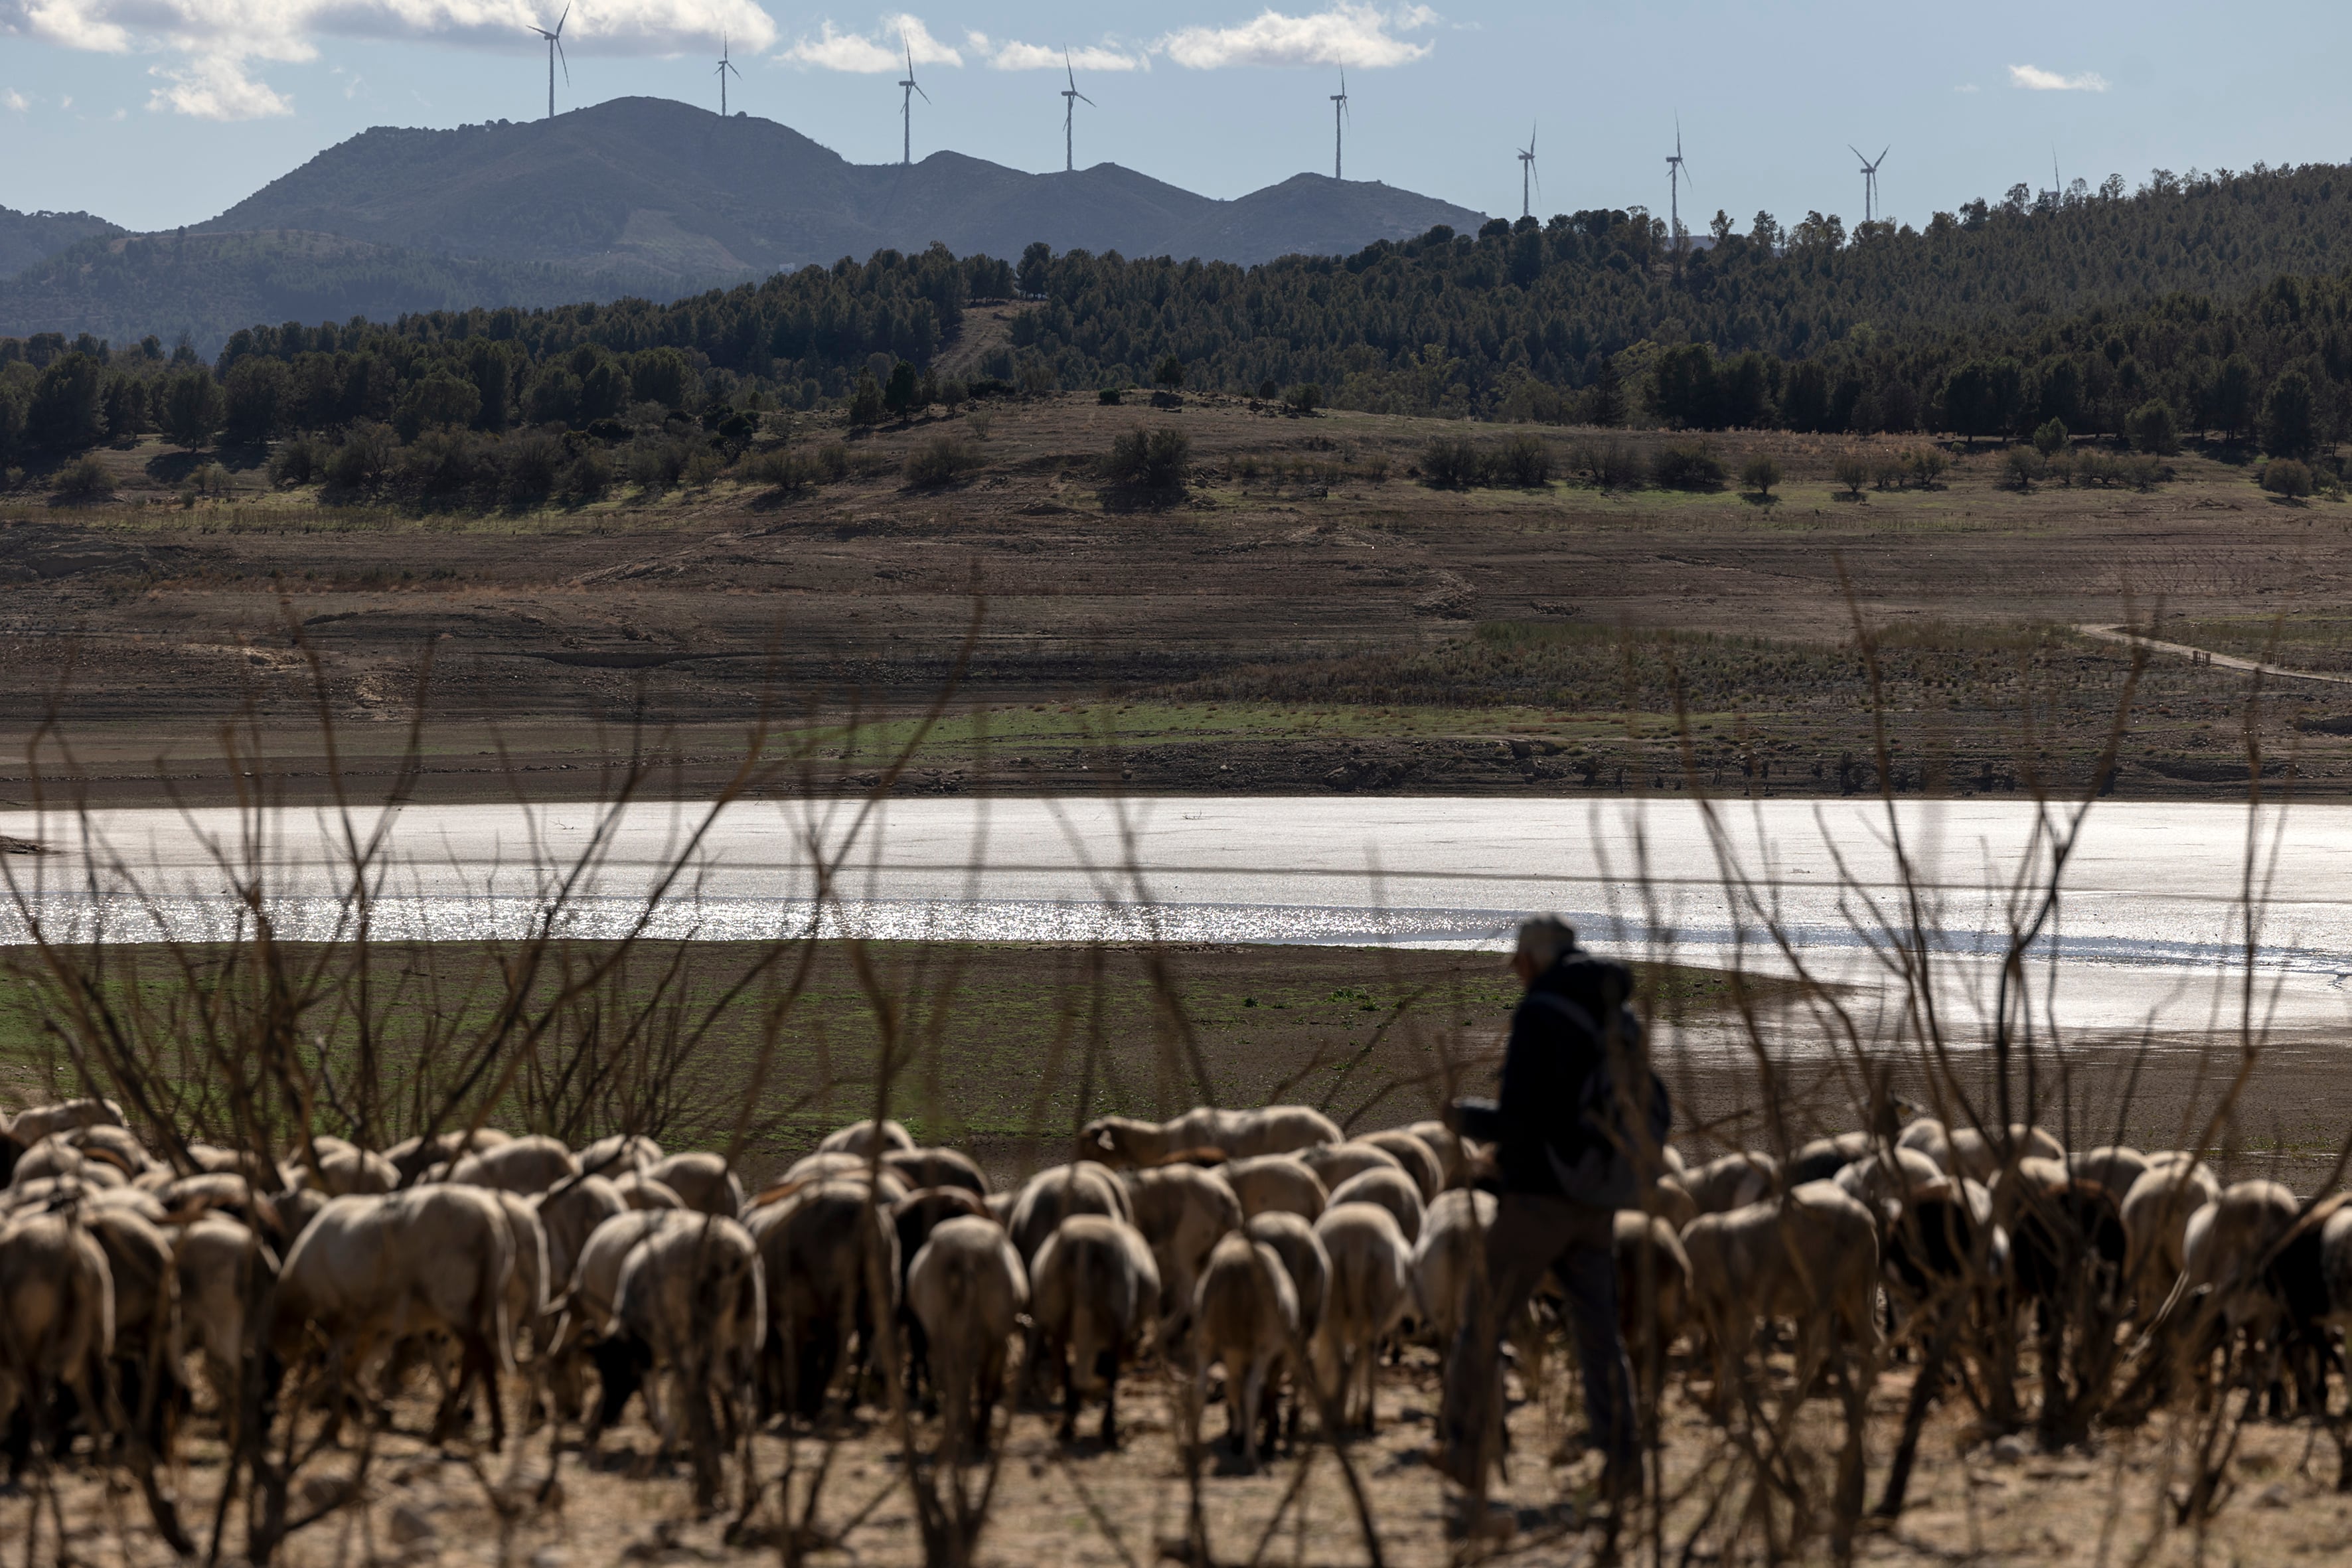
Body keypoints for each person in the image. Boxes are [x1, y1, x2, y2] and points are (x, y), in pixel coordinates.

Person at [1437, 915, 1664, 1502]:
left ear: (1536, 959)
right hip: (1598, 1197)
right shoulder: (1619, 1016)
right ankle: (1623, 1465)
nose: (1513, 967)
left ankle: (1463, 1453)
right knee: (1598, 1335)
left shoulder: (1540, 1014)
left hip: (1538, 1197)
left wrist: (1465, 1117)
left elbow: (1523, 1122)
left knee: (1481, 1321)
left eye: (1518, 956)